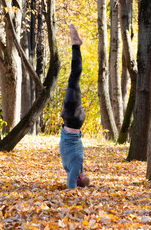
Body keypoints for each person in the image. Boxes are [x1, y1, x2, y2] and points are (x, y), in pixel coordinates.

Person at [59, 24, 90, 188]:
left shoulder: (75, 166)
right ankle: (75, 44)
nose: (84, 171)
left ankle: (76, 44)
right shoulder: (73, 165)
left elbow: (72, 181)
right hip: (72, 118)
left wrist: (75, 188)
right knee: (74, 76)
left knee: (75, 78)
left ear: (79, 177)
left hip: (73, 120)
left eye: (83, 175)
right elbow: (74, 177)